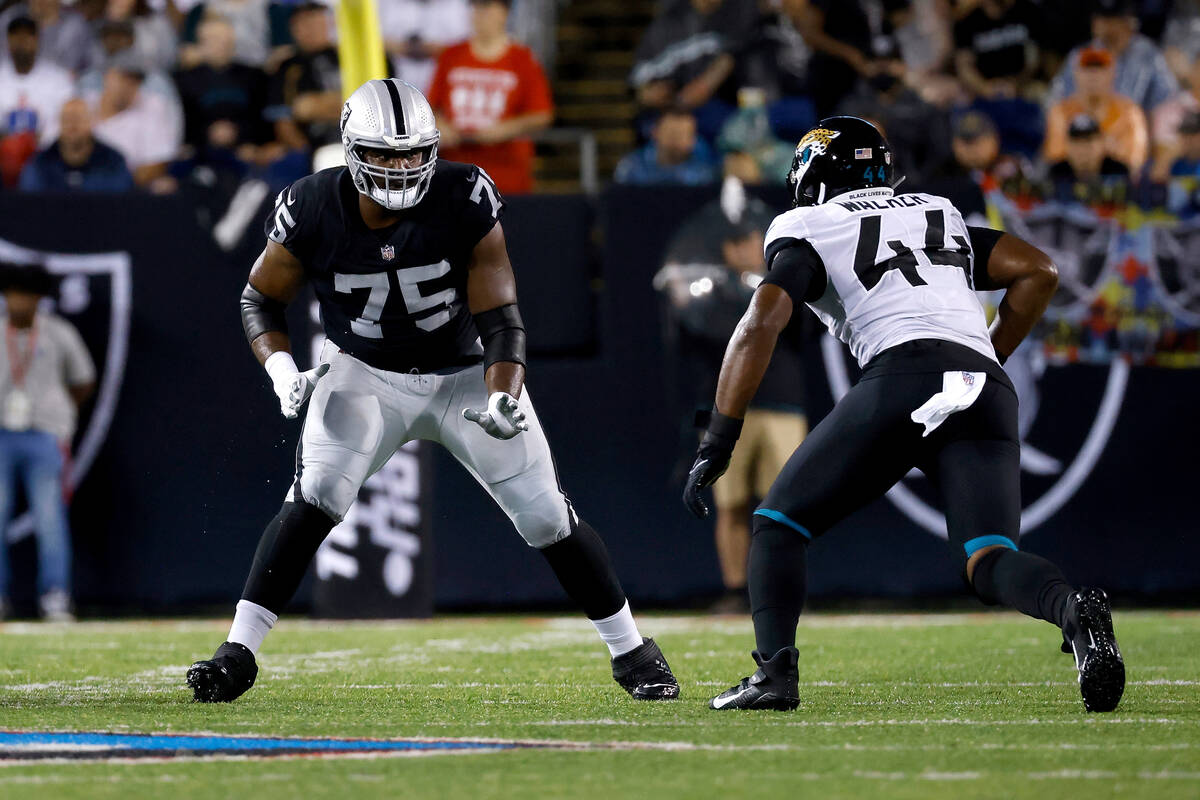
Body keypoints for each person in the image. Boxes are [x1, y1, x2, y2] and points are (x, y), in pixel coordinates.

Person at [186, 78, 679, 704]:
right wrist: (281, 369)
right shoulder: (311, 204)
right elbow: (260, 298)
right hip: (363, 372)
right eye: (386, 154)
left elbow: (501, 315)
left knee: (547, 516)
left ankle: (631, 649)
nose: (403, 166)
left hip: (465, 374)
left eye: (414, 152)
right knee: (316, 494)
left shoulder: (464, 194)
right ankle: (237, 651)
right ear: (351, 149)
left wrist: (504, 392)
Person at [682, 116, 1125, 713]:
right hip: (983, 387)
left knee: (777, 525)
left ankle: (774, 675)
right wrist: (986, 355)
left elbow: (762, 318)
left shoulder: (807, 223)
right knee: (988, 558)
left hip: (901, 374)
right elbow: (1038, 272)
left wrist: (721, 431)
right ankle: (1073, 612)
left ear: (814, 176)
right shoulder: (936, 210)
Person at [659, 221, 806, 613]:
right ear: (725, 249)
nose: (743, 250)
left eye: (750, 241)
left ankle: (782, 592)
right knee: (731, 505)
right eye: (735, 243)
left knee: (788, 506)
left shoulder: (787, 281)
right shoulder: (711, 292)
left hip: (782, 405)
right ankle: (737, 591)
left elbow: (805, 330)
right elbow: (700, 338)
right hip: (727, 410)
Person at [0, 262, 95, 622]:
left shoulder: (58, 332)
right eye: (13, 293)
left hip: (46, 435)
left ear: (39, 298)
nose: (19, 301)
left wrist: (61, 414)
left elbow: (84, 379)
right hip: (1, 434)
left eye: (26, 294)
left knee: (50, 517)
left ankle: (55, 594)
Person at [426, 0, 554, 195]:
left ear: (504, 12)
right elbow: (429, 107)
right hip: (455, 173)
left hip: (507, 176)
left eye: (487, 7)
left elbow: (542, 114)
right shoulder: (451, 55)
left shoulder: (523, 59)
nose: (479, 14)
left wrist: (506, 129)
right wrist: (440, 125)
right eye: (475, 7)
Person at [1047, 0, 1179, 119]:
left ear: (1129, 21)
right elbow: (1056, 100)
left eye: (1113, 19)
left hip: (1135, 133)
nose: (1106, 26)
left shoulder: (1148, 55)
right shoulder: (1081, 55)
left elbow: (1169, 100)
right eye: (1102, 19)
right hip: (1086, 135)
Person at [1044, 46, 1148, 173]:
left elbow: (1134, 161)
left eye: (1100, 69)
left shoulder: (1130, 112)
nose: (1093, 75)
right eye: (1087, 69)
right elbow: (1055, 157)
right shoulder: (1060, 111)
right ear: (1076, 74)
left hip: (1114, 183)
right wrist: (1104, 147)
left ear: (1112, 74)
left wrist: (1093, 149)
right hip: (1069, 182)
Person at [265, 2, 342, 153]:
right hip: (314, 146)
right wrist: (306, 153)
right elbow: (283, 120)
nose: (313, 31)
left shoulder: (352, 58)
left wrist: (315, 106)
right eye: (306, 25)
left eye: (318, 24)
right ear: (294, 29)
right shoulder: (287, 66)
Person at [18, 97, 133, 191]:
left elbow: (122, 204)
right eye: (66, 119)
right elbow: (30, 205)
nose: (72, 124)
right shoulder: (40, 163)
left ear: (91, 121)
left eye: (78, 119)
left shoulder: (113, 162)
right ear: (59, 123)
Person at [0, 16, 75, 147]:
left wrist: (41, 137)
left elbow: (70, 121)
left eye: (27, 36)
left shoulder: (58, 79)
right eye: (16, 36)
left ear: (37, 40)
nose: (21, 41)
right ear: (8, 41)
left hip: (47, 154)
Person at [614, 106, 718, 185]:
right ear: (655, 133)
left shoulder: (703, 175)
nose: (678, 141)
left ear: (694, 140)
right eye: (672, 134)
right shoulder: (632, 167)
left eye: (685, 135)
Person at [1047, 113, 1131, 183]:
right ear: (1067, 146)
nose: (1083, 150)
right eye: (1077, 143)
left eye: (1088, 142)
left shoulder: (1119, 172)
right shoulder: (1056, 173)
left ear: (1102, 144)